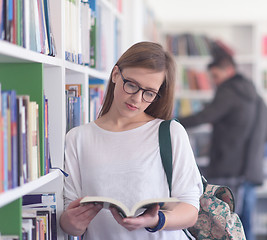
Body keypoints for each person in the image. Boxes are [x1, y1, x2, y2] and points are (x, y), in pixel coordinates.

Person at [59, 42, 203, 240]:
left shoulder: (171, 133)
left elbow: (190, 210)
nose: (137, 99)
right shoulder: (78, 138)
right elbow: (71, 222)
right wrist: (70, 223)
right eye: (132, 85)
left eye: (149, 93)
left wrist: (155, 221)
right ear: (116, 74)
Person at [178, 50, 267, 240]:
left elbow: (206, 116)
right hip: (250, 171)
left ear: (229, 70)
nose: (214, 81)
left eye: (216, 76)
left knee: (225, 227)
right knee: (244, 227)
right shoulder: (255, 95)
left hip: (230, 170)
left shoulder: (229, 90)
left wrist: (171, 123)